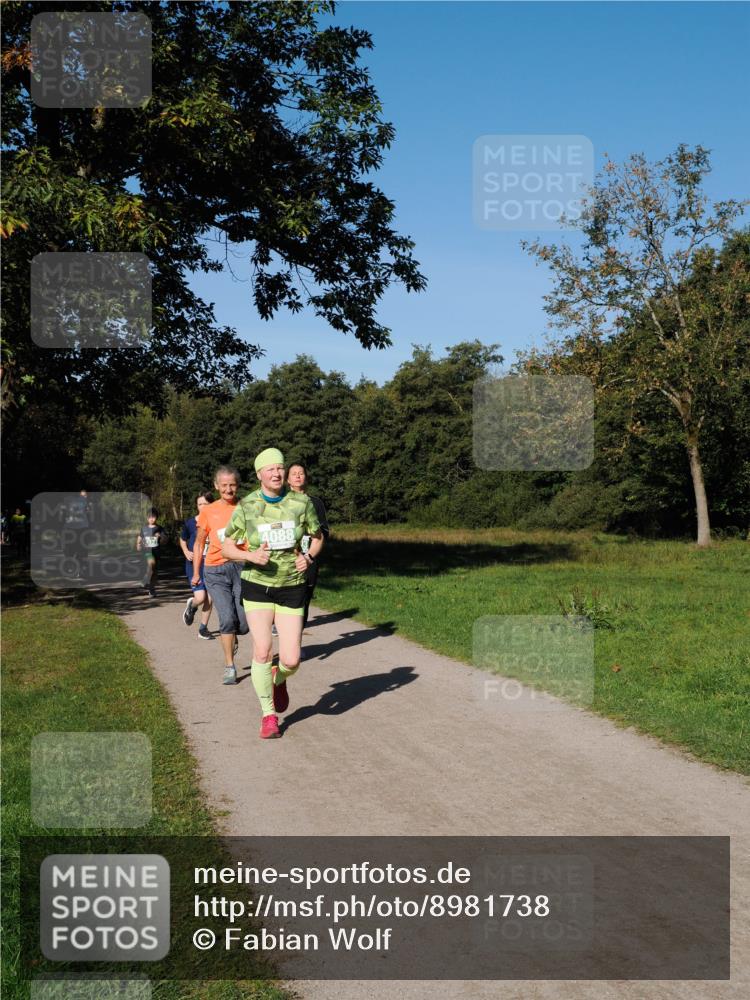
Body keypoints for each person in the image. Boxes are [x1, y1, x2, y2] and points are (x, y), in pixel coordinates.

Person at [222, 448, 324, 739]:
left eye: (280, 468)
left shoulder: (301, 503)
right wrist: (250, 557)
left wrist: (309, 557)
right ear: (259, 475)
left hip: (292, 585)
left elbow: (317, 539)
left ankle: (278, 679)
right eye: (270, 469)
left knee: (291, 659)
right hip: (257, 585)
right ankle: (268, 716)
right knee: (263, 650)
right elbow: (227, 547)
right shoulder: (247, 505)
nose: (277, 473)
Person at [192, 466, 249, 685]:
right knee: (226, 619)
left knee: (243, 624)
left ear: (238, 485)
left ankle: (232, 637)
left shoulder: (246, 507)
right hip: (215, 569)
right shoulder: (209, 511)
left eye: (232, 484)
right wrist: (196, 572)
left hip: (241, 567)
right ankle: (229, 666)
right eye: (224, 485)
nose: (228, 489)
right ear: (216, 486)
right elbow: (199, 542)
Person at [286, 462, 331, 648]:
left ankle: (296, 642)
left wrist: (310, 553)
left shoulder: (316, 503)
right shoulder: (281, 501)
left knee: (304, 599)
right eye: (294, 473)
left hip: (309, 557)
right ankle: (283, 631)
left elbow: (324, 532)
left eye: (301, 473)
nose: (298, 476)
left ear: (306, 477)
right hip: (286, 558)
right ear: (287, 479)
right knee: (285, 596)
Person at [179, 492, 214, 639]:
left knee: (210, 599)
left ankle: (203, 629)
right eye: (200, 504)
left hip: (212, 565)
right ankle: (192, 606)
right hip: (195, 566)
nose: (203, 507)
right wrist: (186, 551)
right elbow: (182, 539)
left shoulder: (216, 522)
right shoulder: (190, 523)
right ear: (196, 506)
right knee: (200, 597)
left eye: (206, 504)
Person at [136, 507, 165, 597]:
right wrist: (138, 545)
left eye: (153, 517)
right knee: (151, 564)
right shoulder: (144, 528)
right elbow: (139, 538)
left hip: (156, 552)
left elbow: (165, 540)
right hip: (147, 552)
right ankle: (145, 579)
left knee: (154, 572)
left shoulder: (159, 528)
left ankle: (151, 589)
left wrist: (160, 536)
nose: (151, 519)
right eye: (149, 517)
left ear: (156, 517)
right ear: (147, 518)